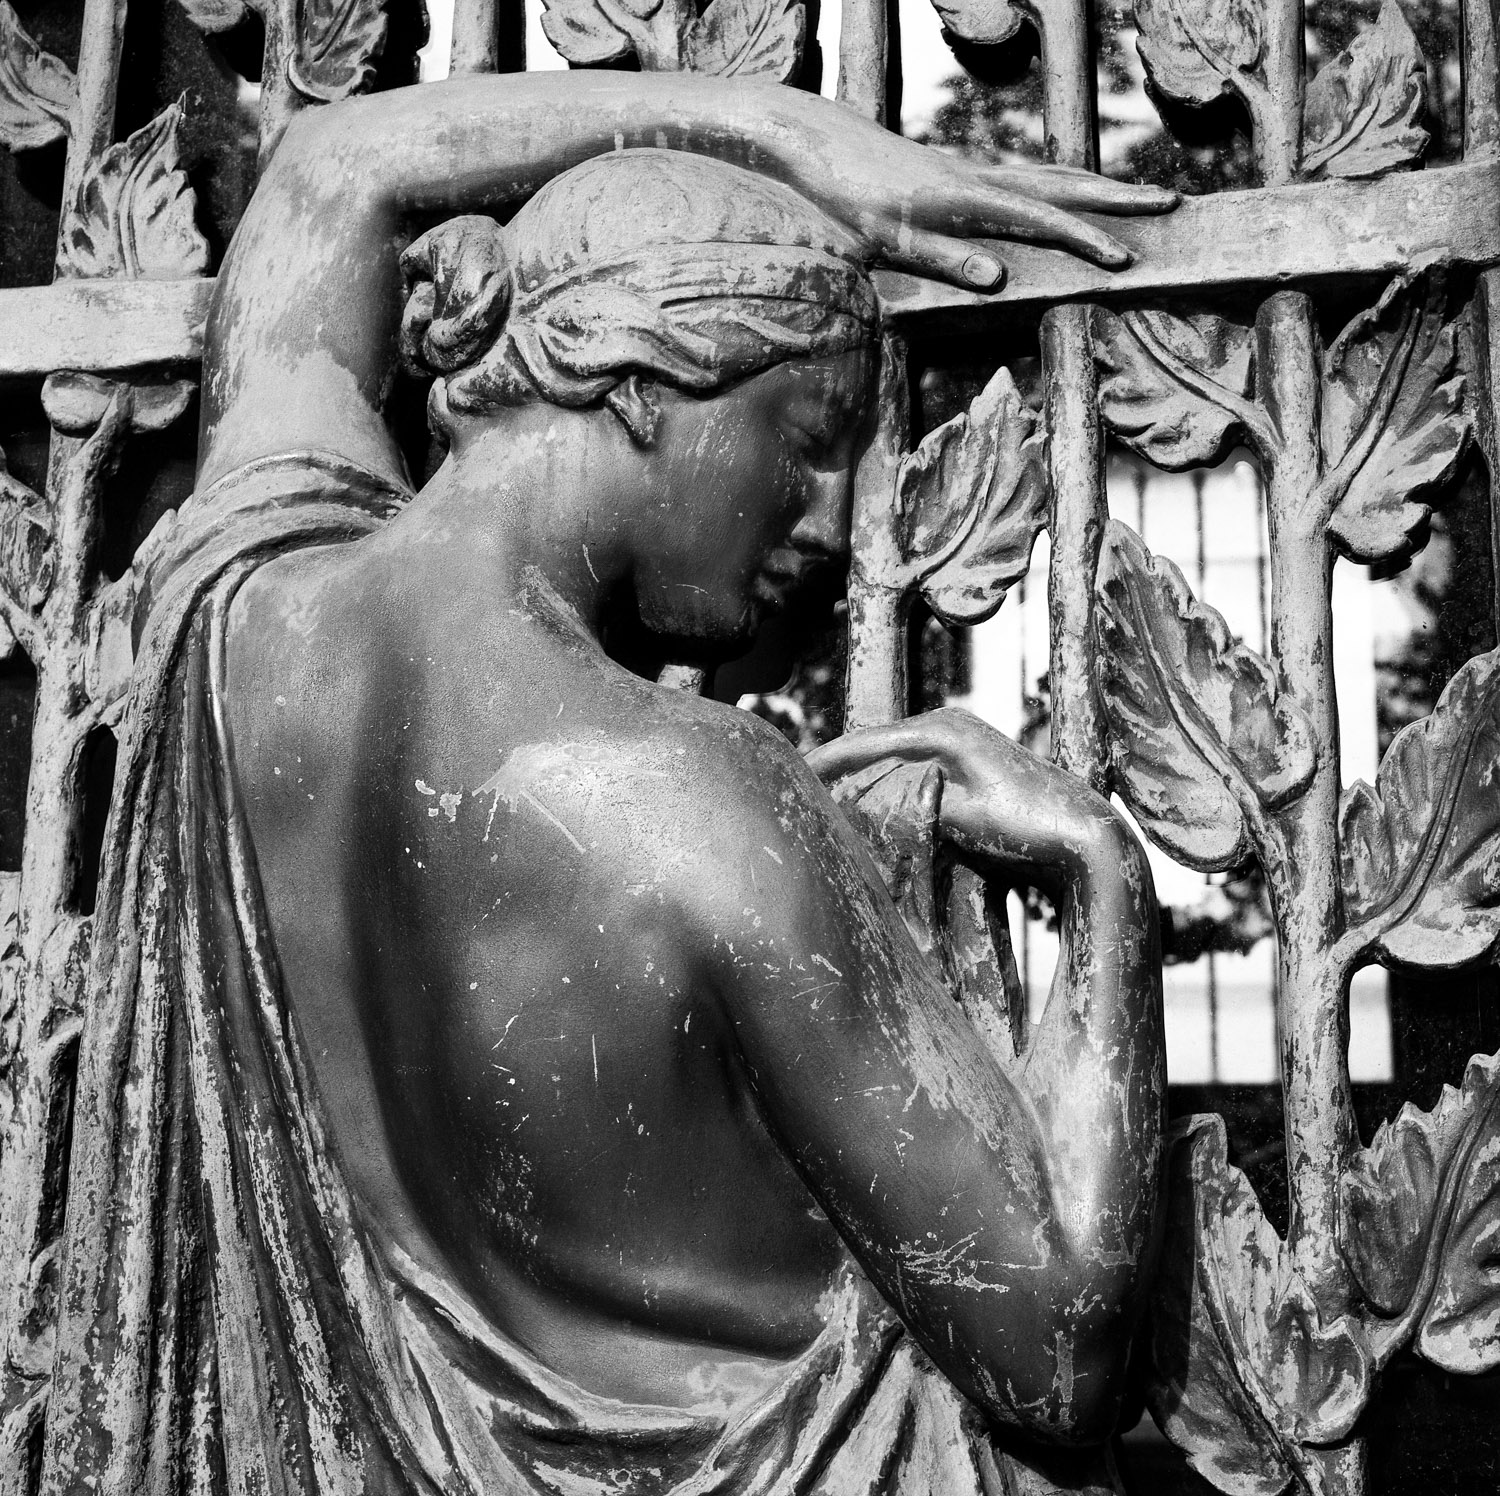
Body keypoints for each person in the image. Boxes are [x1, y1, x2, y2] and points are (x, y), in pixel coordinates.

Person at [42, 75, 1168, 1496]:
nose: (827, 517)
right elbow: (1058, 1354)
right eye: (807, 438)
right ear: (643, 380)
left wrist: (774, 135)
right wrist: (1107, 884)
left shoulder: (234, 613)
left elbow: (333, 170)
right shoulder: (707, 801)